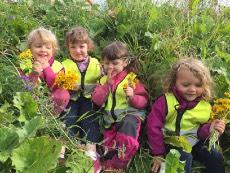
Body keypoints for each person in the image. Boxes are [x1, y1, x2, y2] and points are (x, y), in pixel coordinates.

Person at [146, 58, 225, 173]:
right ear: (174, 82)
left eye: (198, 85)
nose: (192, 89)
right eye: (186, 84)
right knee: (184, 158)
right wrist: (158, 153)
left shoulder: (205, 106)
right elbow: (153, 127)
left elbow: (200, 132)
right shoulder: (166, 101)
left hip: (193, 141)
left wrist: (210, 129)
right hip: (171, 142)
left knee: (215, 156)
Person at [92, 41, 148, 172]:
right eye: (107, 64)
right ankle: (107, 165)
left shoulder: (131, 79)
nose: (110, 67)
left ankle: (122, 163)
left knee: (126, 137)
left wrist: (133, 97)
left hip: (129, 116)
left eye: (115, 63)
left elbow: (144, 101)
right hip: (110, 121)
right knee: (107, 147)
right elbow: (97, 101)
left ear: (125, 62)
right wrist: (107, 84)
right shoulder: (102, 80)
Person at [62, 26, 102, 159]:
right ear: (68, 48)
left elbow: (103, 79)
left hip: (89, 99)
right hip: (72, 99)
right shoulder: (65, 64)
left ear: (88, 46)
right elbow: (59, 82)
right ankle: (64, 151)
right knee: (69, 118)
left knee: (90, 120)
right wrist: (68, 85)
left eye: (81, 46)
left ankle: (91, 151)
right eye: (73, 47)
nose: (78, 51)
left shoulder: (96, 63)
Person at [20, 27, 70, 115]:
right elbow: (26, 88)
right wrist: (34, 74)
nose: (43, 50)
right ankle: (33, 114)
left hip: (52, 102)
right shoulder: (25, 64)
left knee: (63, 93)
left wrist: (47, 68)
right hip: (32, 100)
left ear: (53, 50)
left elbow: (55, 86)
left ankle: (51, 118)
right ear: (30, 49)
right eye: (38, 46)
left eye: (48, 47)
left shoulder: (58, 66)